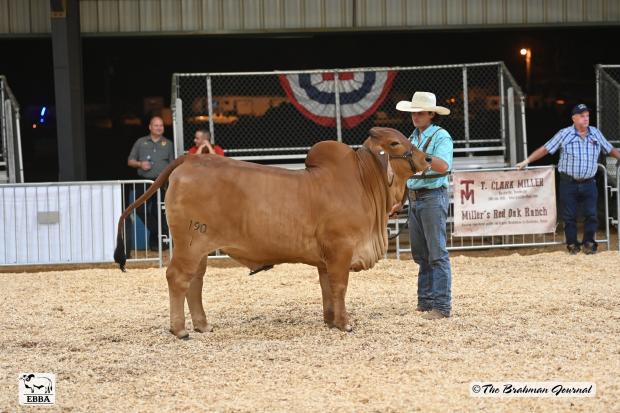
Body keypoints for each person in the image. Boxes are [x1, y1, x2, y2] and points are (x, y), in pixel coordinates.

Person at [516, 103, 620, 254]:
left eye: (587, 116)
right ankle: (572, 244)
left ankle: (589, 243)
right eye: (582, 116)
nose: (586, 119)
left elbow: (609, 148)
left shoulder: (595, 133)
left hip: (589, 182)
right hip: (568, 182)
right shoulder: (564, 134)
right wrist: (527, 161)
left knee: (591, 215)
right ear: (574, 118)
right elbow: (546, 148)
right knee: (569, 216)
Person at [390, 91, 453, 320]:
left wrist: (419, 155)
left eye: (420, 112)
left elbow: (444, 166)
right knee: (421, 254)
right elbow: (410, 174)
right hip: (417, 197)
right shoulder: (413, 137)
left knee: (436, 253)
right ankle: (425, 302)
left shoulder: (441, 136)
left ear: (430, 114)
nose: (415, 116)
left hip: (433, 196)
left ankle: (441, 306)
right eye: (413, 112)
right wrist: (401, 202)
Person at [127, 116, 175, 251]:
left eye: (161, 125)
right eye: (156, 125)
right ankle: (157, 232)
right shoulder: (141, 142)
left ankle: (157, 245)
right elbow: (130, 161)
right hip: (145, 182)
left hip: (162, 182)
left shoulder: (168, 143)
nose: (159, 128)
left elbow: (172, 164)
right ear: (150, 127)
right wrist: (140, 164)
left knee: (159, 211)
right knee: (140, 208)